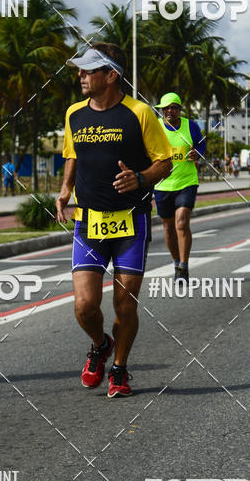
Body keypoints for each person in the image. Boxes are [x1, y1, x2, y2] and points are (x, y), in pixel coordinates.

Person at [56, 43, 172, 398]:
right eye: (80, 70)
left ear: (111, 75)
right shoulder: (74, 113)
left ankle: (119, 369)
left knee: (125, 303)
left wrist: (140, 178)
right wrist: (64, 192)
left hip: (130, 222)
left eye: (89, 70)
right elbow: (72, 155)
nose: (81, 76)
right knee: (85, 306)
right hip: (88, 221)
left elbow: (164, 162)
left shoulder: (139, 113)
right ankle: (99, 344)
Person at [152, 92, 205, 283]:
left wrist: (197, 154)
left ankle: (184, 265)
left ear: (179, 109)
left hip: (186, 181)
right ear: (161, 110)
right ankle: (175, 261)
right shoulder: (156, 127)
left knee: (181, 222)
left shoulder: (190, 126)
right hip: (162, 184)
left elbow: (201, 144)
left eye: (173, 107)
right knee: (168, 227)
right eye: (166, 108)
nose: (169, 111)